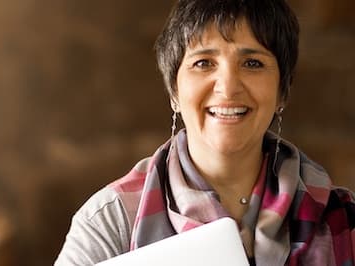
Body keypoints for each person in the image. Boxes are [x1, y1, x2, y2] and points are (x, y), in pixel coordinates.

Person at [55, 0, 355, 265]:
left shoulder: (343, 217)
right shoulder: (110, 221)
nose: (228, 86)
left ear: (282, 93)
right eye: (203, 63)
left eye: (252, 63)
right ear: (174, 91)